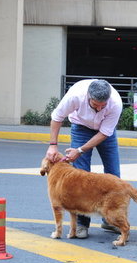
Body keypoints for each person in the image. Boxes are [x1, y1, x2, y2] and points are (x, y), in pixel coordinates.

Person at [45, 79, 123, 239]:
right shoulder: (75, 96)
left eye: (103, 105)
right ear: (88, 96)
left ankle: (110, 219)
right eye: (95, 105)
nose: (99, 108)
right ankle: (81, 224)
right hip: (81, 127)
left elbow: (104, 133)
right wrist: (53, 145)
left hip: (105, 133)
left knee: (113, 174)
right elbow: (57, 117)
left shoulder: (115, 102)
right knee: (79, 178)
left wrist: (80, 150)